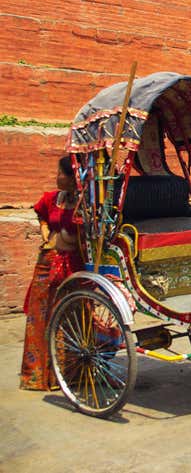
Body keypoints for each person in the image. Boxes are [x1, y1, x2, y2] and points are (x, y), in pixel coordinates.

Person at [19, 156, 83, 391]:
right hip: (47, 265)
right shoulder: (51, 199)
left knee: (71, 319)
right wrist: (46, 233)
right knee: (41, 317)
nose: (56, 177)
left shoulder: (85, 204)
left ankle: (69, 375)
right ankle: (38, 376)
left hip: (73, 267)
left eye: (60, 173)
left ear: (72, 177)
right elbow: (42, 215)